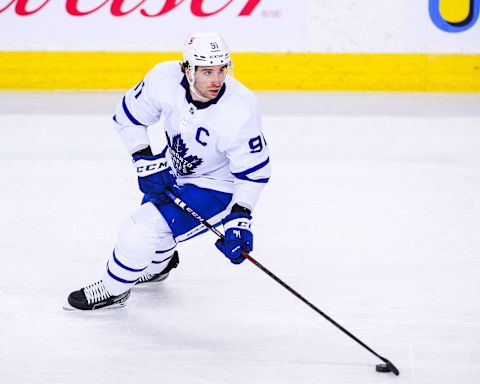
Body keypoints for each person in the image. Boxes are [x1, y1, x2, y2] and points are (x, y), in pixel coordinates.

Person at [65, 31, 271, 311]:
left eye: (222, 70)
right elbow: (128, 118)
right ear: (187, 69)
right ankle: (160, 266)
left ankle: (113, 291)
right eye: (207, 71)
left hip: (216, 188)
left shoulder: (240, 109)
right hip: (174, 167)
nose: (217, 80)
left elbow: (253, 173)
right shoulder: (163, 78)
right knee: (157, 227)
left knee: (137, 230)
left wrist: (240, 216)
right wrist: (143, 158)